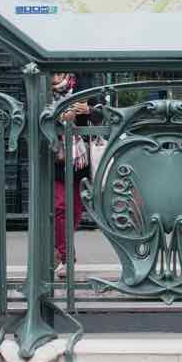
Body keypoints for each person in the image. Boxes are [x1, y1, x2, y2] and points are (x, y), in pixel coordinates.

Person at [48, 71, 102, 277]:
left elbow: (102, 114)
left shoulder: (83, 83)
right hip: (54, 156)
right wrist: (57, 116)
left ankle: (60, 246)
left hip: (80, 157)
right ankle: (66, 256)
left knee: (77, 208)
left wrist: (87, 109)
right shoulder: (40, 86)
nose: (55, 76)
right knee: (60, 206)